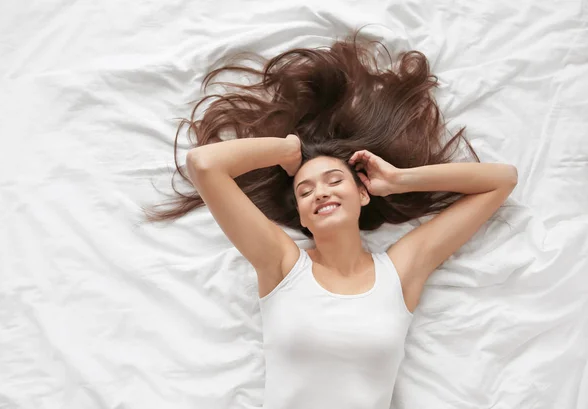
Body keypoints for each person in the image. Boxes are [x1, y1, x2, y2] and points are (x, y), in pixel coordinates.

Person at [146, 31, 518, 408]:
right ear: (303, 217)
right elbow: (204, 164)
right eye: (305, 191)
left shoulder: (400, 272)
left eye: (334, 180)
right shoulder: (282, 265)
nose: (320, 192)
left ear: (361, 193)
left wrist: (400, 180)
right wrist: (286, 150)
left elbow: (501, 182)